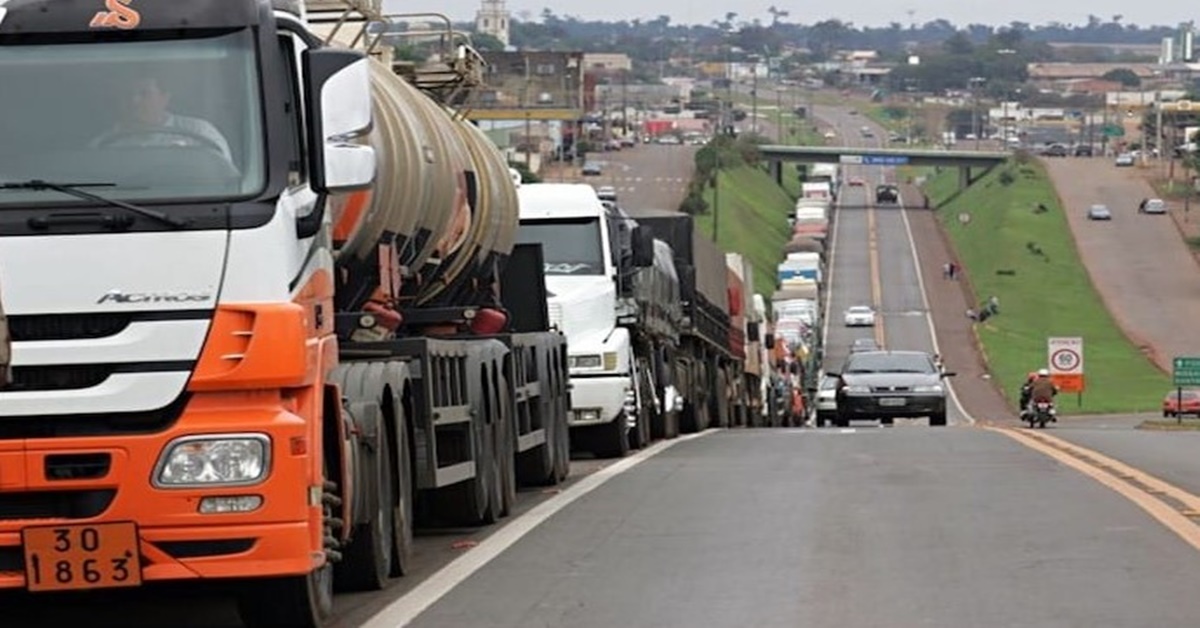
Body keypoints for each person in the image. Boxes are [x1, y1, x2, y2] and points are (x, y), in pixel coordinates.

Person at [91, 76, 233, 164]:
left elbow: (223, 176)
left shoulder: (199, 131)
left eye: (144, 94)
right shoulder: (102, 145)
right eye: (128, 95)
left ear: (165, 98)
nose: (134, 101)